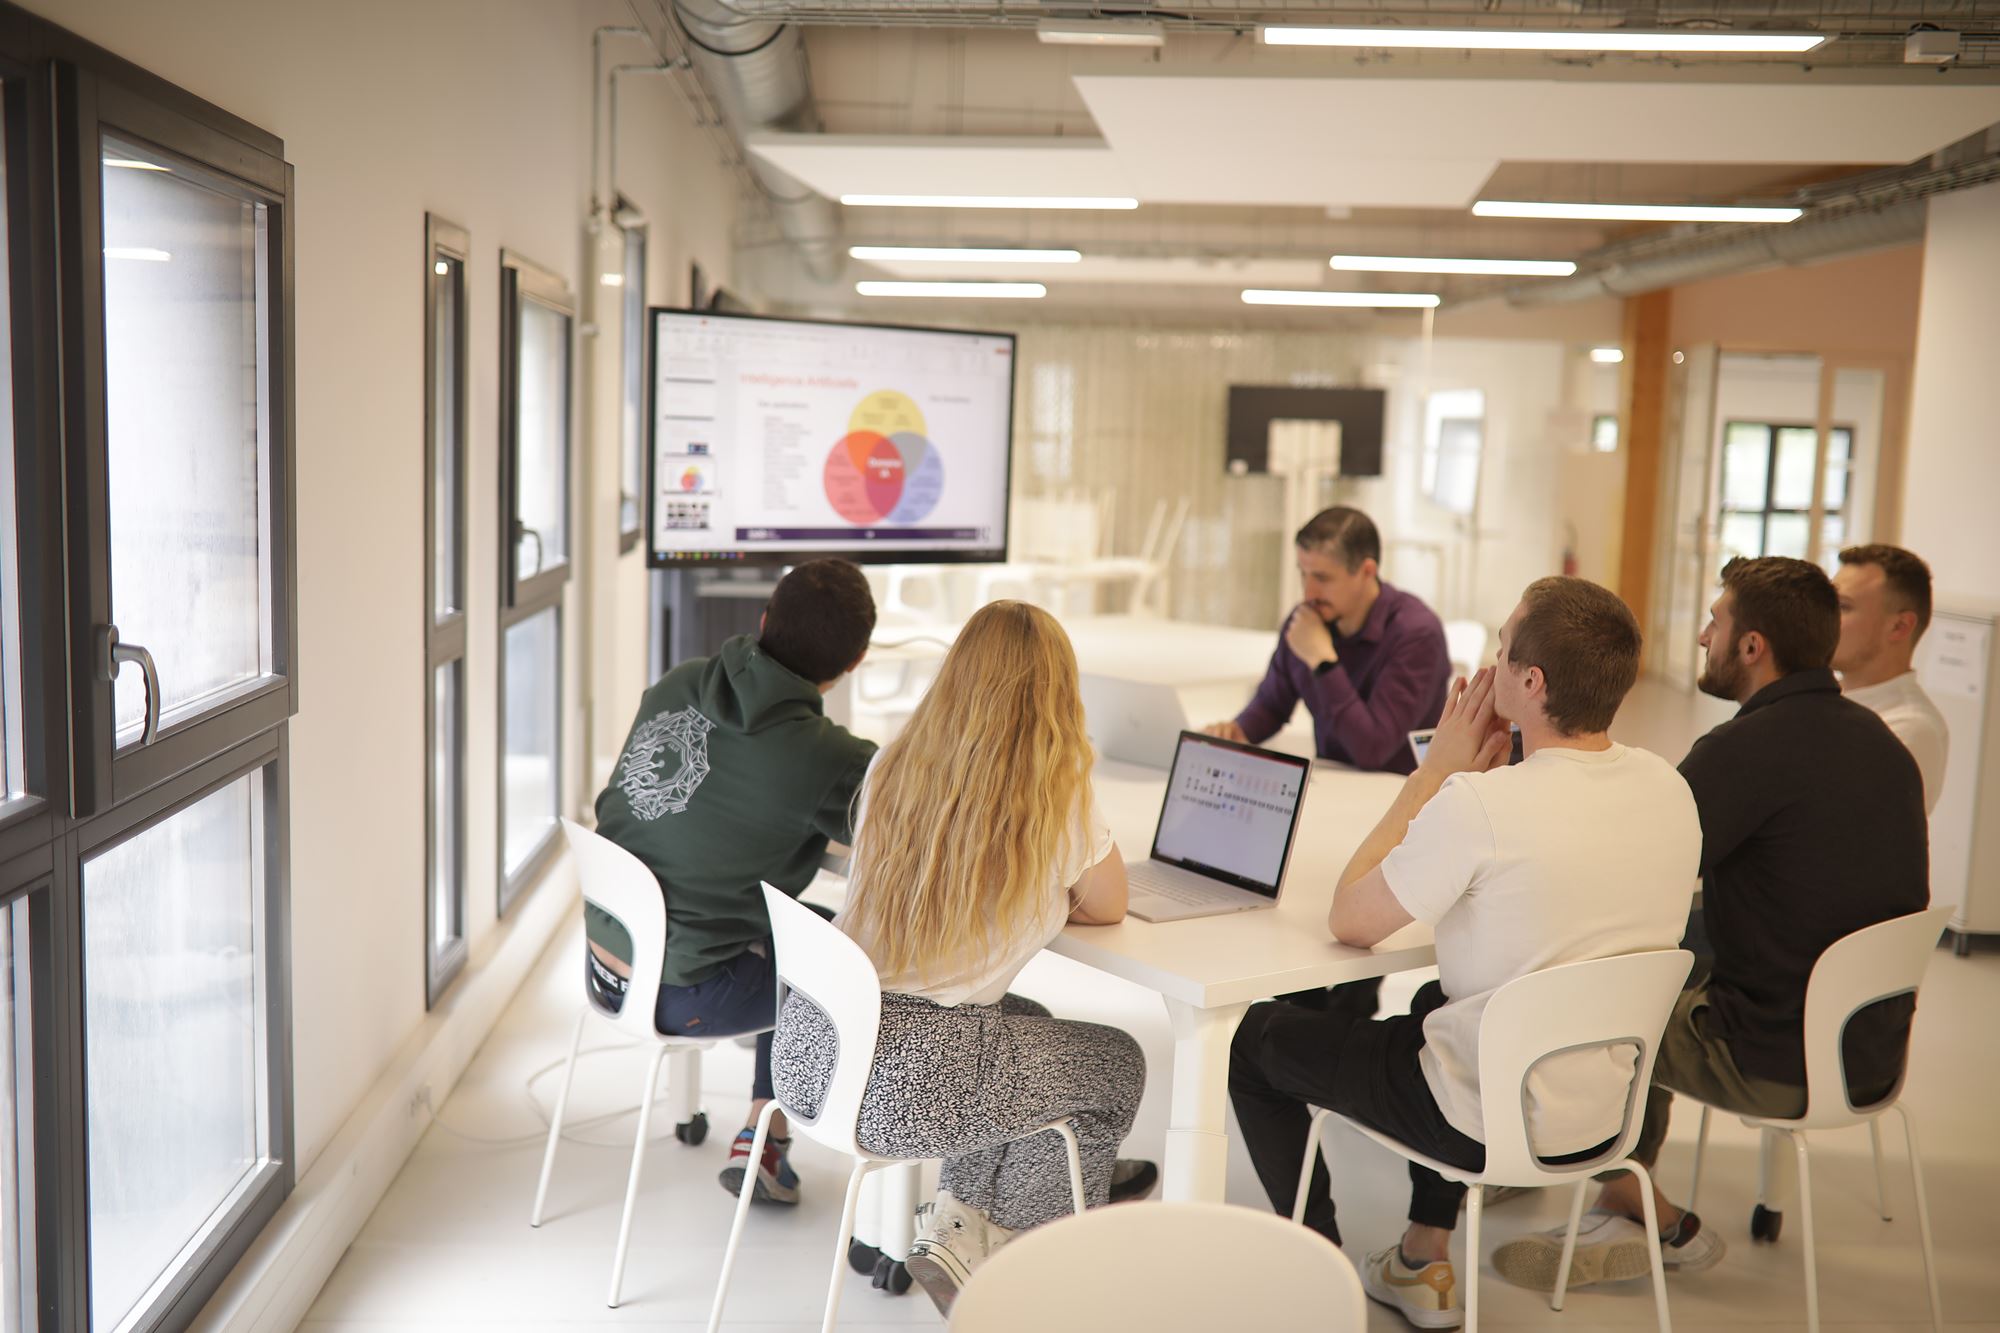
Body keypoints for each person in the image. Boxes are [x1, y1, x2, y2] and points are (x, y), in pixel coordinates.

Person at [1229, 576, 1700, 1330]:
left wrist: (1435, 770)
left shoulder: (1479, 805)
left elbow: (1351, 916)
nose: (1488, 663)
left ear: (1531, 681)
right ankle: (1423, 1254)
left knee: (1255, 1043)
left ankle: (1318, 1265)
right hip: (1610, 1113)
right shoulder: (1669, 788)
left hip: (1481, 1115)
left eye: (1502, 649)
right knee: (1432, 1005)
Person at [1494, 556, 1930, 1293]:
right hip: (1869, 1050)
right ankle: (1616, 1191)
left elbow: (1617, 861)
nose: (1702, 637)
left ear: (1753, 646)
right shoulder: (1882, 744)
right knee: (1666, 955)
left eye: (1716, 621)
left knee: (1598, 989)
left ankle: (1631, 1199)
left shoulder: (1746, 750)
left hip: (1769, 1059)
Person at [771, 601, 1151, 1316]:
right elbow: (1109, 902)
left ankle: (959, 1224)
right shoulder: (1053, 794)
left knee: (1025, 1021)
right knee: (1116, 1064)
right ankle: (1017, 1257)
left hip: (811, 1047)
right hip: (905, 1079)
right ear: (1055, 693)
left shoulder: (893, 762)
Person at [591, 557, 877, 1206]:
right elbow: (904, 837)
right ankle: (766, 1133)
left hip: (607, 963)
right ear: (856, 660)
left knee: (794, 934)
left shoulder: (678, 682)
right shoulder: (829, 757)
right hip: (678, 992)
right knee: (836, 954)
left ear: (764, 618)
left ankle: (761, 1127)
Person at [1202, 505, 1454, 1026]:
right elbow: (1271, 703)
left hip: (1396, 817)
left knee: (1340, 957)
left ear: (1367, 571)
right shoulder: (1309, 623)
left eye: (1322, 576)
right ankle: (1305, 1022)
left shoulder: (1416, 633)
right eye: (1302, 572)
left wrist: (1323, 661)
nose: (1308, 589)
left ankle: (1332, 1025)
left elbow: (1374, 748)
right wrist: (1237, 731)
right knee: (1297, 920)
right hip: (1335, 807)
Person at [1833, 543, 1949, 813]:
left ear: (1899, 626)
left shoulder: (1909, 729)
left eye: (1842, 607)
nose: (1824, 617)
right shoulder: (1822, 697)